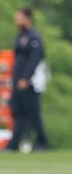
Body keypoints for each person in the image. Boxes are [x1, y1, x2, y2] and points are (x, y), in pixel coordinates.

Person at [4, 8, 50, 152]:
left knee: (33, 113)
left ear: (27, 18)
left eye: (19, 18)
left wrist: (26, 78)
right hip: (17, 81)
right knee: (18, 113)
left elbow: (35, 59)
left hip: (29, 83)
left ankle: (42, 142)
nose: (16, 21)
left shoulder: (34, 37)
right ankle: (14, 144)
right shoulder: (19, 36)